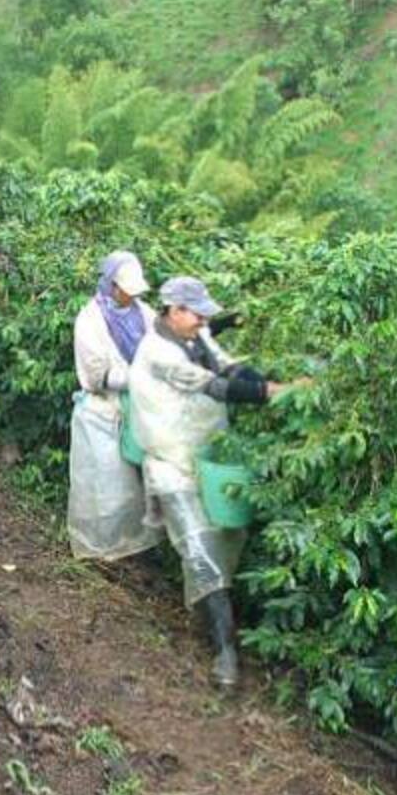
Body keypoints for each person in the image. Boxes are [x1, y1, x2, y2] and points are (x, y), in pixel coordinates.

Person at [130, 277, 302, 687]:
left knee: (225, 537)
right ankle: (225, 653)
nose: (204, 320)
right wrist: (275, 392)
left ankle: (207, 610)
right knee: (200, 549)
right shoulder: (157, 353)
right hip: (171, 462)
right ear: (173, 310)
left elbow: (228, 367)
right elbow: (216, 386)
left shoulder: (197, 335)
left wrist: (268, 381)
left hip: (209, 457)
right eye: (197, 313)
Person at [68, 251, 162, 562]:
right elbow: (96, 377)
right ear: (111, 285)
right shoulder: (90, 320)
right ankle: (99, 551)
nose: (130, 296)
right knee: (105, 488)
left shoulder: (144, 314)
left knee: (135, 488)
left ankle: (136, 548)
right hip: (102, 413)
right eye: (125, 289)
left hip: (137, 411)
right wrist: (137, 376)